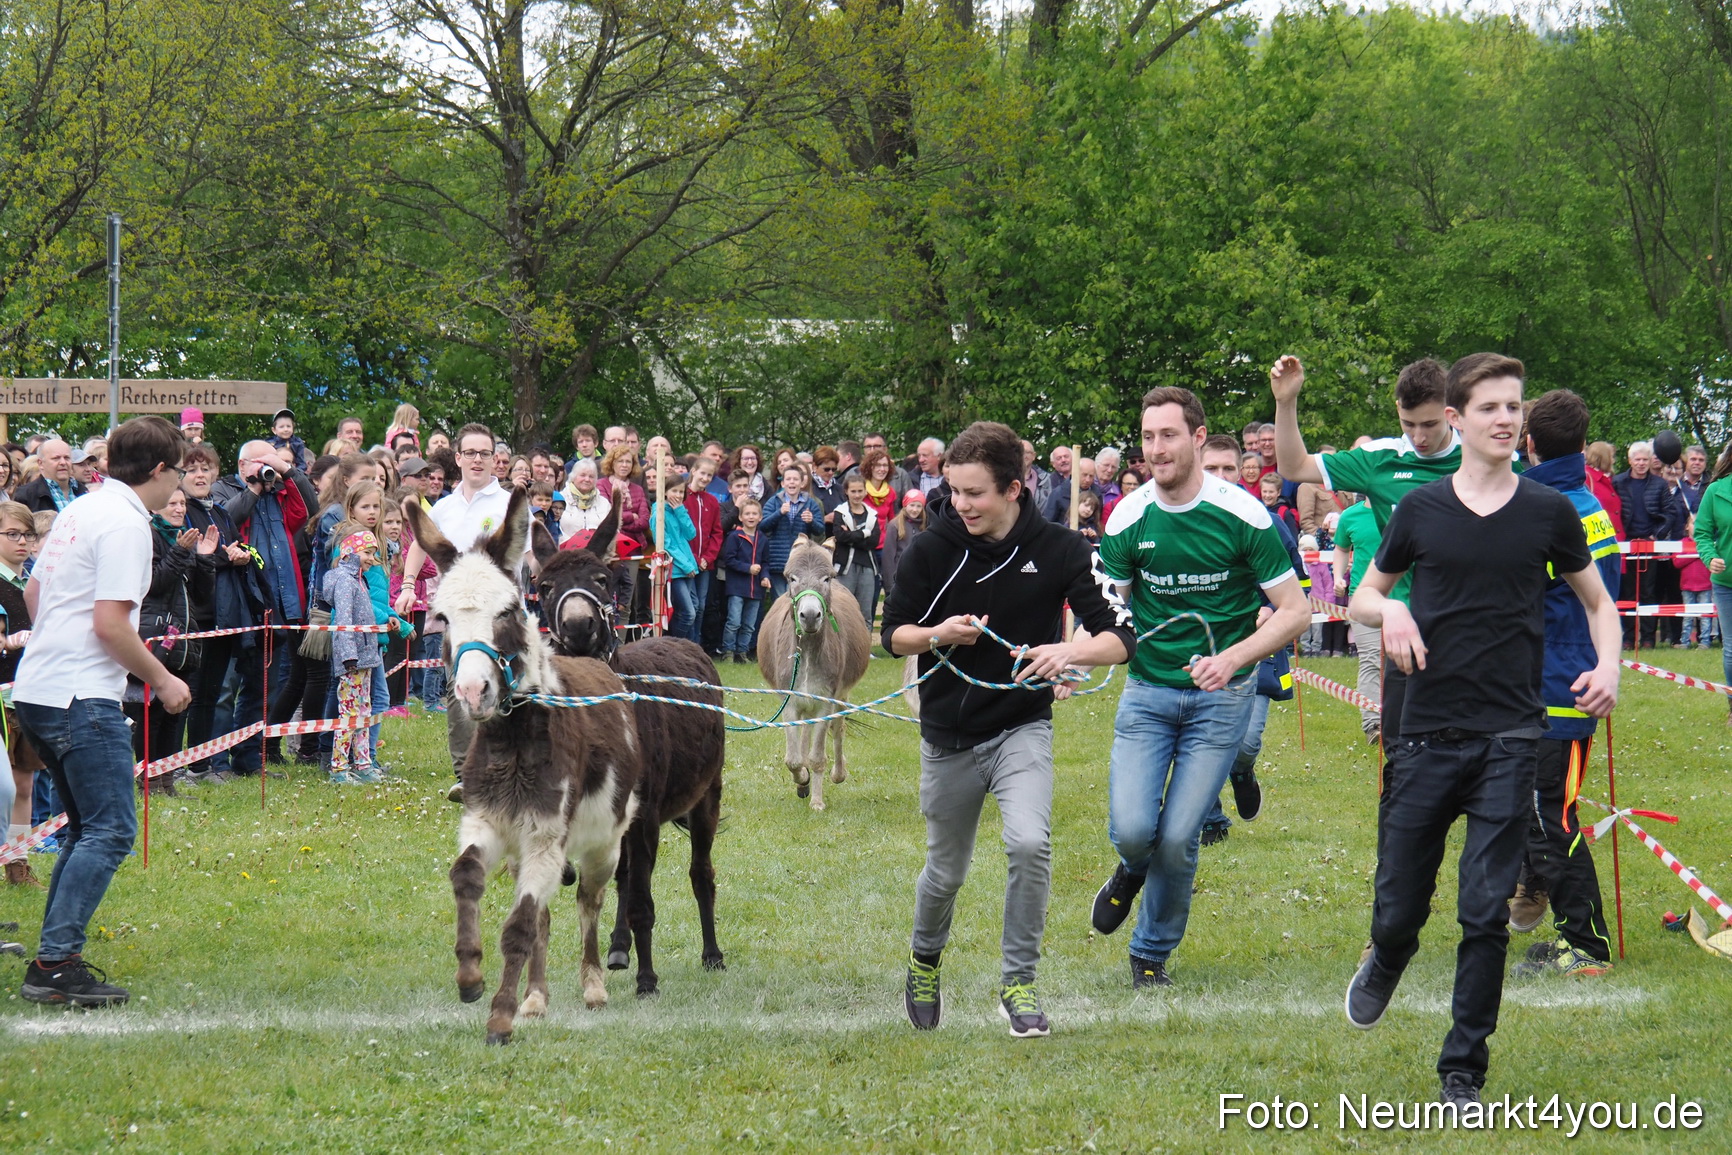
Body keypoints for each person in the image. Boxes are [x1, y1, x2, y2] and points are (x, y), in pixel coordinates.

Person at [1342, 354, 1620, 1109]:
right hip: (1424, 732)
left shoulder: (1550, 512)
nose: (1506, 418)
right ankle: (1389, 955)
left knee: (1483, 911)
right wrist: (1391, 609)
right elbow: (1363, 596)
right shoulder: (1419, 511)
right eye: (1491, 406)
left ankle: (1463, 1067)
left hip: (1509, 736)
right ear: (1457, 419)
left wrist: (1610, 666)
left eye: (1514, 406)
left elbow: (1598, 603)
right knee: (1399, 906)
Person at [882, 421, 1134, 1038]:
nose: (961, 505)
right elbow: (894, 635)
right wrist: (940, 634)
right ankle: (924, 958)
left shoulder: (1061, 549)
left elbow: (1120, 638)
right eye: (954, 491)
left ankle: (1018, 981)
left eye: (975, 494)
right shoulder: (932, 547)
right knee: (946, 871)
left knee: (1028, 844)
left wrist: (1069, 654)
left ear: (1015, 489)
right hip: (948, 732)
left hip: (1022, 725)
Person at [1090, 394, 1308, 989]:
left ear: (1197, 437)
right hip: (1148, 696)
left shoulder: (1245, 515)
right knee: (1136, 830)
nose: (1156, 449)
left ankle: (1150, 954)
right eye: (1147, 437)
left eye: (1168, 435)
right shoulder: (1126, 518)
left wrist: (1232, 658)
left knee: (1182, 833)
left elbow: (1296, 611)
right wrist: (1072, 657)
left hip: (1223, 699)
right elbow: (1107, 610)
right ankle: (1131, 868)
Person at [16, 415, 193, 1007]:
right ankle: (54, 964)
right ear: (161, 469)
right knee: (112, 830)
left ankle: (54, 955)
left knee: (86, 830)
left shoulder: (80, 510)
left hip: (42, 687)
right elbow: (111, 624)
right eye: (180, 473)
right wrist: (164, 680)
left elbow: (35, 593)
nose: (180, 489)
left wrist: (56, 640)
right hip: (79, 696)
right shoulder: (124, 524)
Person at [1499, 388, 1623, 978]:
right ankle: (1541, 900)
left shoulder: (1545, 509)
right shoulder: (1585, 501)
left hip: (1560, 684)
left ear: (1529, 444)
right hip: (1566, 674)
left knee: (1555, 814)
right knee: (1538, 808)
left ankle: (1587, 946)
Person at [394, 423, 511, 798]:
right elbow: (418, 546)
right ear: (457, 458)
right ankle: (467, 772)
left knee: (508, 688)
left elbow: (533, 555)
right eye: (470, 453)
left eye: (485, 453)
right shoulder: (443, 506)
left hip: (500, 617)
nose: (478, 460)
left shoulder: (508, 504)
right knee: (457, 686)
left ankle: (508, 764)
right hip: (458, 619)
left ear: (495, 460)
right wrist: (409, 585)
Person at [214, 441, 316, 775]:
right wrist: (255, 487)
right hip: (247, 607)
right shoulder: (226, 491)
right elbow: (229, 517)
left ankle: (250, 756)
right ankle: (214, 759)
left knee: (266, 686)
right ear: (243, 465)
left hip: (282, 604)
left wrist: (286, 471)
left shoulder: (280, 495)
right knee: (230, 687)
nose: (266, 469)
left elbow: (309, 510)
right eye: (259, 463)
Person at [0, 501, 44, 887]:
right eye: (12, 534)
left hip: (26, 694)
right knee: (4, 787)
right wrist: (7, 642)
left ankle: (18, 865)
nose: (22, 542)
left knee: (24, 784)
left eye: (28, 535)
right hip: (0, 697)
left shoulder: (31, 582)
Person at [324, 525, 383, 784]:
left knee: (363, 711)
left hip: (366, 658)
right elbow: (344, 622)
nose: (372, 558)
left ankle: (362, 763)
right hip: (353, 660)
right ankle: (338, 767)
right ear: (351, 552)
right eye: (368, 552)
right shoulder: (345, 583)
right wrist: (349, 656)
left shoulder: (360, 580)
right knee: (349, 712)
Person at [1612, 440, 1685, 648]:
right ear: (1630, 461)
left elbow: (1670, 513)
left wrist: (1657, 535)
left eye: (1645, 459)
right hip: (1625, 545)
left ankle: (1647, 638)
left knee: (1648, 592)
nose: (1642, 463)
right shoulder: (1618, 482)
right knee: (1626, 592)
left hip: (1649, 545)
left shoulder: (1659, 484)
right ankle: (1626, 638)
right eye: (1638, 459)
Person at [1331, 498, 1384, 748]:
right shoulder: (1349, 516)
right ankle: (1373, 724)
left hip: (1407, 594)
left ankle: (1406, 720)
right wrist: (1338, 576)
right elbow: (1341, 548)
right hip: (1363, 597)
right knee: (1372, 659)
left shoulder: (1404, 507)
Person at [1692, 441, 1732, 723]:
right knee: (1731, 648)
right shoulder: (1716, 492)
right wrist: (1710, 557)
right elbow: (1702, 533)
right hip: (1726, 582)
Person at [759, 464, 824, 599]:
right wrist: (779, 513)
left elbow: (820, 530)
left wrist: (811, 521)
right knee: (780, 600)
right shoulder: (774, 502)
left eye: (795, 479)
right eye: (788, 479)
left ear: (802, 483)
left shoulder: (811, 504)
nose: (792, 482)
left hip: (800, 563)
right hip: (777, 562)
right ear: (783, 483)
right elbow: (763, 526)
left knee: (797, 599)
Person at [720, 497, 769, 662]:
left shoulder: (762, 539)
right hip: (737, 588)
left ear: (760, 517)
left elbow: (765, 562)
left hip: (756, 590)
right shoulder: (735, 536)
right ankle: (728, 651)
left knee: (749, 624)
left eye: (755, 514)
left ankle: (742, 652)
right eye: (747, 513)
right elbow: (729, 560)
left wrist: (765, 577)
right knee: (733, 621)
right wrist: (747, 568)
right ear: (740, 517)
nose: (751, 517)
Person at [829, 475, 880, 630]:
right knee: (843, 610)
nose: (857, 495)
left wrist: (852, 535)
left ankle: (865, 650)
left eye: (860, 491)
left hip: (867, 566)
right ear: (846, 491)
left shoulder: (872, 514)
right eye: (853, 491)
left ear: (865, 491)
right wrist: (864, 533)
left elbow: (874, 541)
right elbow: (840, 536)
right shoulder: (840, 512)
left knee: (865, 611)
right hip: (845, 567)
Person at [13, 439, 86, 514]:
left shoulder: (84, 491)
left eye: (67, 458)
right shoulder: (25, 495)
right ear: (40, 463)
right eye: (56, 458)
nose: (63, 462)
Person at [880, 489, 927, 602]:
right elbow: (888, 557)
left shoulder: (925, 525)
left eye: (918, 506)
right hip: (899, 578)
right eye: (912, 505)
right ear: (905, 505)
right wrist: (889, 584)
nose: (915, 510)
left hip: (919, 578)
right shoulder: (895, 525)